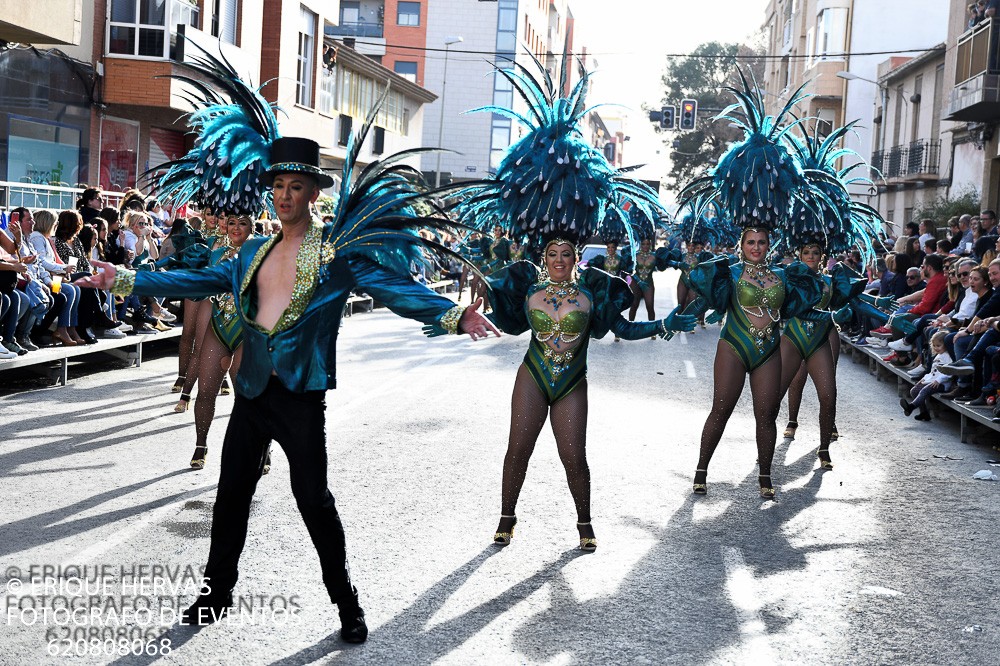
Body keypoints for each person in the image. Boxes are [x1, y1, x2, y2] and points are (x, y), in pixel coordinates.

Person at [75, 53, 497, 641]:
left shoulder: (334, 254)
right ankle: (215, 594)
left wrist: (452, 313)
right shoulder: (250, 253)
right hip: (250, 391)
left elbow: (393, 288)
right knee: (230, 498)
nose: (283, 196)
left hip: (300, 397)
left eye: (295, 186)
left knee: (314, 502)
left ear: (312, 193)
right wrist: (122, 279)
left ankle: (345, 601)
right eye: (277, 186)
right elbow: (191, 280)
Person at [451, 54, 676, 548]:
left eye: (565, 253)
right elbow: (509, 324)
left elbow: (621, 329)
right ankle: (507, 516)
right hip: (533, 374)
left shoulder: (594, 288)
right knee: (519, 450)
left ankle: (584, 523)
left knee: (574, 455)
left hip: (572, 379)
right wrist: (469, 310)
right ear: (543, 253)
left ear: (577, 254)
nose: (556, 260)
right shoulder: (528, 284)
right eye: (551, 253)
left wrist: (662, 326)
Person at [900, 331, 953, 421]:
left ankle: (911, 407)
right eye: (934, 345)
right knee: (914, 390)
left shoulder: (948, 356)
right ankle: (924, 413)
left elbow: (949, 372)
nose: (936, 348)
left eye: (939, 345)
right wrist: (924, 378)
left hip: (942, 384)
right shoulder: (938, 356)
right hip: (932, 381)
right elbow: (933, 372)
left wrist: (939, 380)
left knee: (925, 390)